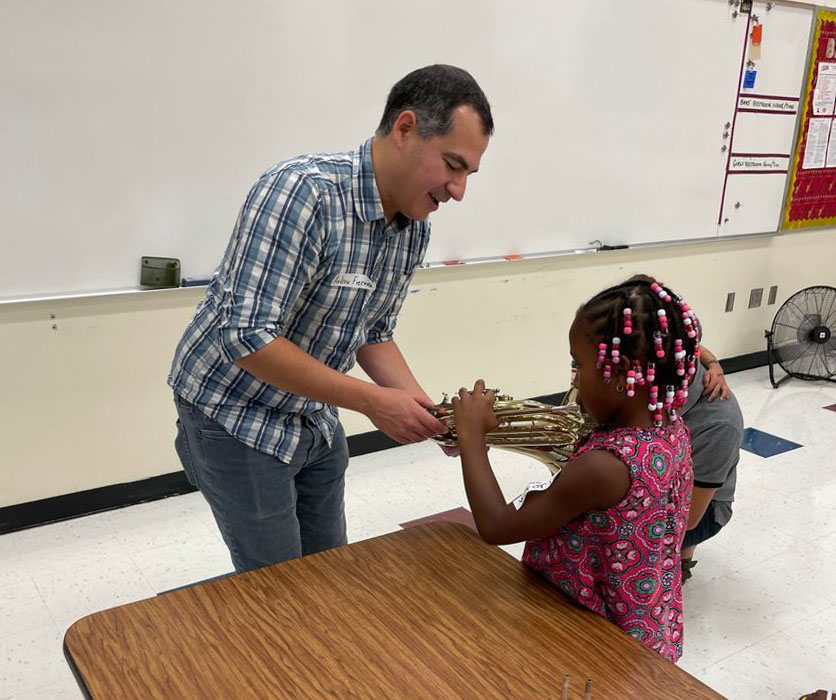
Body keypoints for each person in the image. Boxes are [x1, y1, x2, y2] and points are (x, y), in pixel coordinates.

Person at [168, 65, 493, 573]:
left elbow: (373, 330)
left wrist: (425, 411)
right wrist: (373, 403)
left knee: (329, 578)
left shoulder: (411, 229)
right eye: (453, 165)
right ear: (405, 129)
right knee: (279, 589)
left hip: (313, 414)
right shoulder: (302, 192)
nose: (458, 190)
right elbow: (248, 336)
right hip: (234, 416)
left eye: (468, 174)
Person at [451, 276, 699, 662]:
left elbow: (496, 527)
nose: (574, 380)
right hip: (647, 624)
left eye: (577, 365)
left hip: (592, 640)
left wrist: (470, 437)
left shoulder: (605, 466)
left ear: (622, 375)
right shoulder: (673, 430)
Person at [679, 345, 743, 582]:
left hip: (704, 509)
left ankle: (680, 561)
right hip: (676, 488)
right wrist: (714, 363)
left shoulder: (719, 424)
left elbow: (688, 518)